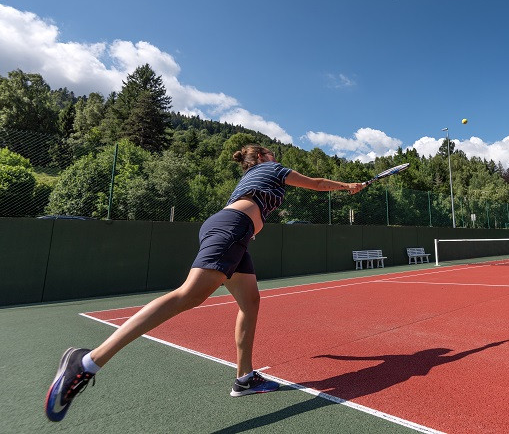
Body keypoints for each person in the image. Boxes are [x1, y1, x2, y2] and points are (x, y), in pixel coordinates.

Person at [45, 144, 365, 422]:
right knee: (189, 296)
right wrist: (347, 185)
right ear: (263, 158)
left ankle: (245, 378)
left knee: (250, 301)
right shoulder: (273, 168)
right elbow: (318, 183)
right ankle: (86, 362)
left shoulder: (249, 178)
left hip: (234, 230)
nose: (275, 155)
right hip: (233, 227)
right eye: (270, 153)